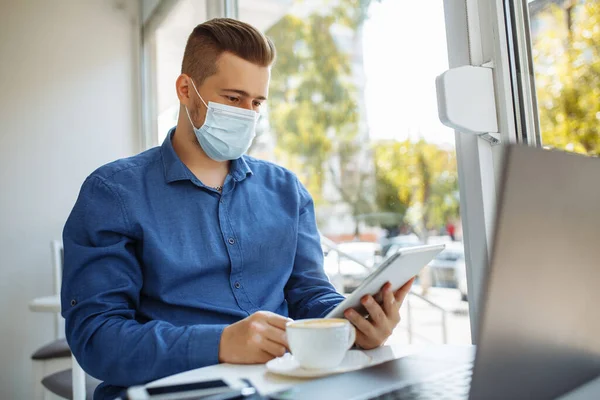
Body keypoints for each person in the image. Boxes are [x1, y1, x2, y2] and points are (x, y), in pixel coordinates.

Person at [61, 18, 413, 400]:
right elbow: (97, 339)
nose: (247, 113)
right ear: (185, 90)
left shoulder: (286, 191)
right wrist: (221, 343)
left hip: (285, 387)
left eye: (257, 102)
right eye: (233, 99)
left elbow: (310, 295)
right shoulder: (114, 193)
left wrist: (354, 322)